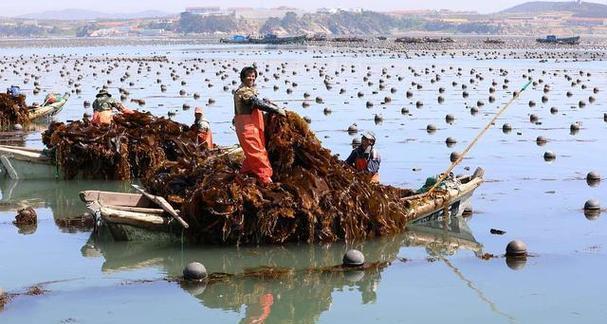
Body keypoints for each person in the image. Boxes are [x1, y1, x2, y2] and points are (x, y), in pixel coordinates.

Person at [233, 66, 286, 184]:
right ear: (242, 78)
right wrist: (276, 110)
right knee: (257, 152)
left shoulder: (249, 90)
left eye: (253, 76)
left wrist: (268, 104)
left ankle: (245, 174)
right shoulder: (243, 91)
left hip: (254, 126)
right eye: (248, 76)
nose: (251, 78)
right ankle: (266, 179)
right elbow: (256, 102)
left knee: (253, 151)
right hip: (247, 127)